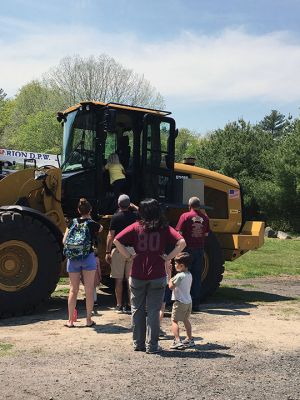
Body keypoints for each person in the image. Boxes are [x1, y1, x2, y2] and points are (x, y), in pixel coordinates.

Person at [113, 198, 186, 354]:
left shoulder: (135, 227)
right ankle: (152, 346)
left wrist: (128, 256)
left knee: (137, 310)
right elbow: (182, 242)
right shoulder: (164, 228)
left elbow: (116, 240)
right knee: (153, 311)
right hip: (157, 274)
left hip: (137, 274)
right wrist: (168, 257)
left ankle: (138, 343)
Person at [63, 198, 103, 327]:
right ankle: (88, 319)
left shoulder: (72, 223)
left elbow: (64, 241)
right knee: (89, 289)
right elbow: (101, 229)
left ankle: (70, 321)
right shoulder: (92, 224)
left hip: (73, 259)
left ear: (78, 210)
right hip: (88, 257)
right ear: (90, 210)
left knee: (73, 290)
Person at [105, 194, 138, 313]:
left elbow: (110, 235)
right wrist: (134, 207)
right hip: (132, 251)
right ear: (129, 204)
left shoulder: (115, 217)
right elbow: (145, 215)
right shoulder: (135, 216)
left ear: (118, 204)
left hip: (119, 250)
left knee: (118, 279)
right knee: (130, 279)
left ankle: (119, 305)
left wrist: (108, 251)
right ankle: (130, 305)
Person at [176, 196, 210, 312]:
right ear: (199, 206)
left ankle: (182, 302)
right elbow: (206, 234)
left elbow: (179, 233)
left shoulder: (185, 216)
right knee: (196, 277)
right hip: (199, 250)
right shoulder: (205, 218)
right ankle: (195, 304)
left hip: (187, 250)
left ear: (189, 205)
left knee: (183, 275)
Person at [169, 252, 194, 349]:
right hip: (188, 301)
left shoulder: (179, 276)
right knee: (185, 319)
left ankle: (177, 340)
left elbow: (170, 286)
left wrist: (170, 278)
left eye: (176, 264)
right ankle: (189, 339)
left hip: (179, 302)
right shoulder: (189, 274)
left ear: (182, 265)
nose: (175, 265)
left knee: (174, 321)